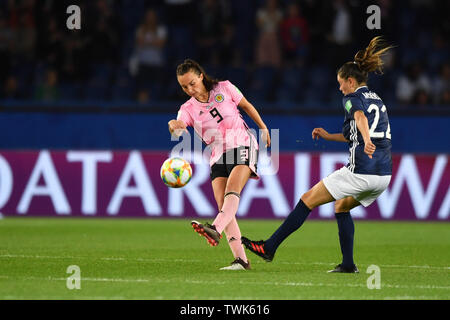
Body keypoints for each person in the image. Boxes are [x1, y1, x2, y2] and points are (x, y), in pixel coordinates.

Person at [242, 36, 394, 273]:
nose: (340, 87)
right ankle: (348, 264)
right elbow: (356, 131)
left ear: (351, 82)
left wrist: (365, 141)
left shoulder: (351, 98)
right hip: (383, 176)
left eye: (341, 83)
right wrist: (328, 135)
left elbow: (360, 119)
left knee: (306, 200)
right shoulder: (377, 99)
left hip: (361, 171)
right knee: (341, 207)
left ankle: (269, 248)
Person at [168, 59, 270, 271]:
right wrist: (174, 126)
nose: (189, 89)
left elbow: (247, 106)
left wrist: (263, 127)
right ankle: (241, 260)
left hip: (242, 143)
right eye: (184, 87)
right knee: (224, 207)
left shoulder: (225, 87)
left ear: (201, 76)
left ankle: (215, 228)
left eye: (192, 83)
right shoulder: (187, 108)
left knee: (232, 191)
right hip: (216, 155)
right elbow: (177, 126)